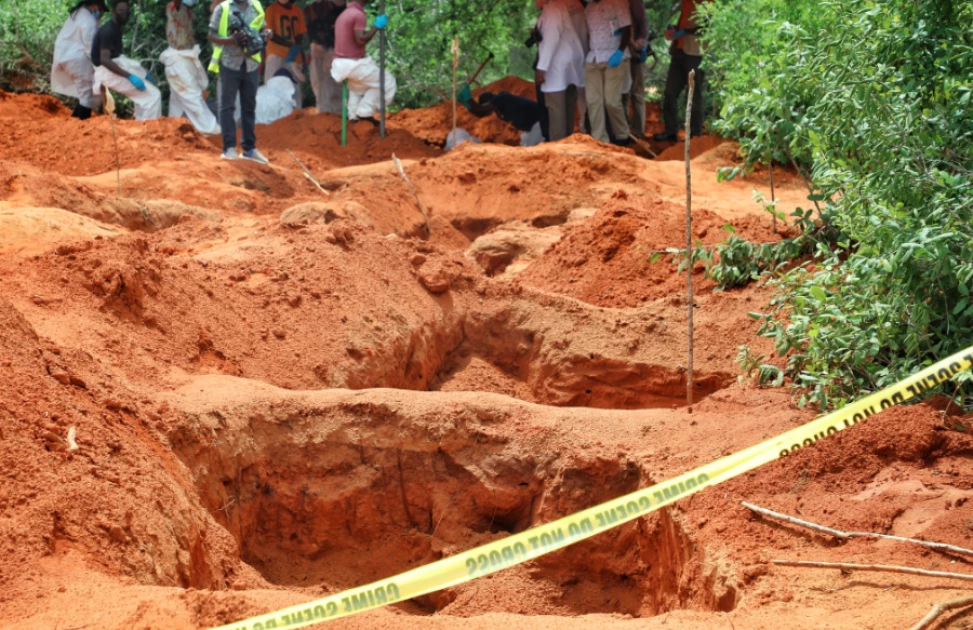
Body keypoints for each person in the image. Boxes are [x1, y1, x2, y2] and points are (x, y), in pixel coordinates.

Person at [208, 0, 271, 163]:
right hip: (229, 63)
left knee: (249, 106)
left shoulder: (256, 6)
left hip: (251, 63)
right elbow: (211, 35)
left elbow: (262, 30)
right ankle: (229, 148)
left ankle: (249, 149)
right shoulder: (223, 8)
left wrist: (266, 36)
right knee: (227, 106)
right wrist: (232, 39)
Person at [91, 0, 163, 121]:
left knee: (144, 93)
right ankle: (151, 130)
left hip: (113, 65)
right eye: (121, 11)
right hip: (105, 70)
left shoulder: (117, 27)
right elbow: (105, 60)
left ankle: (142, 124)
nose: (124, 14)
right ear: (114, 11)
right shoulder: (108, 31)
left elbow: (118, 57)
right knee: (153, 96)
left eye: (126, 11)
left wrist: (142, 74)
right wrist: (130, 76)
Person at [160, 0, 221, 134]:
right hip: (178, 60)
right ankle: (211, 129)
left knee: (179, 99)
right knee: (192, 95)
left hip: (185, 58)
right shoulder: (174, 7)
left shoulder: (187, 11)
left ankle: (173, 129)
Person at [330, 0, 395, 122]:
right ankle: (365, 111)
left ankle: (353, 115)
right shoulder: (358, 14)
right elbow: (360, 39)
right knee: (387, 81)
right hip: (352, 64)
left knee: (358, 87)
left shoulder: (344, 14)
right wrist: (376, 26)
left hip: (341, 64)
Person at [653, 0, 708, 142]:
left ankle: (695, 134)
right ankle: (671, 131)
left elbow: (707, 27)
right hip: (679, 50)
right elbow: (684, 22)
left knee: (693, 94)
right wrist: (675, 29)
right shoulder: (686, 2)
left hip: (695, 53)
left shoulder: (709, 3)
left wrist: (685, 32)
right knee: (670, 92)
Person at [535, 0, 587, 142]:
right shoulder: (560, 6)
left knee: (555, 106)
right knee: (568, 102)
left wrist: (541, 67)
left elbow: (551, 39)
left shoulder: (552, 9)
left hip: (557, 64)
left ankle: (558, 143)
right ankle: (567, 141)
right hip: (570, 61)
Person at [583, 0, 631, 145]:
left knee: (611, 101)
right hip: (593, 58)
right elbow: (588, 33)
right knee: (593, 101)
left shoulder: (618, 3)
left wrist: (620, 51)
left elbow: (627, 29)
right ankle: (600, 140)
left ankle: (622, 136)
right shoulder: (589, 7)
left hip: (614, 56)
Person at [52, 0, 106, 120]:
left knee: (85, 94)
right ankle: (81, 124)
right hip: (77, 59)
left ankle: (74, 122)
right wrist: (100, 68)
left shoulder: (77, 14)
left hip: (65, 57)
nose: (101, 14)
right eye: (101, 10)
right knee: (87, 94)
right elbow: (91, 49)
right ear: (94, 6)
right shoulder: (89, 21)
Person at [264, 0, 308, 108]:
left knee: (295, 92)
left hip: (293, 56)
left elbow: (299, 34)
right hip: (276, 54)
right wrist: (290, 45)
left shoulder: (297, 10)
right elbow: (269, 35)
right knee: (271, 88)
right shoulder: (271, 10)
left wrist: (296, 48)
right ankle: (272, 120)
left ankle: (296, 119)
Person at [304, 0, 345, 114]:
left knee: (335, 85)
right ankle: (325, 114)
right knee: (321, 85)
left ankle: (337, 114)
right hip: (321, 51)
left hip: (337, 52)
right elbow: (312, 32)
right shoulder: (314, 9)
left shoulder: (346, 10)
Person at [468, 91, 549, 146]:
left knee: (530, 151)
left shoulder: (501, 98)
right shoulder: (500, 107)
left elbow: (480, 110)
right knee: (524, 143)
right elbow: (481, 113)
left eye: (487, 106)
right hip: (533, 125)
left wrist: (466, 98)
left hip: (539, 122)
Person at [623, 0, 648, 138]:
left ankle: (638, 131)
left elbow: (643, 21)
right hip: (620, 52)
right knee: (623, 92)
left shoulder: (634, 2)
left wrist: (641, 43)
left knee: (637, 92)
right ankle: (624, 130)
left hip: (635, 52)